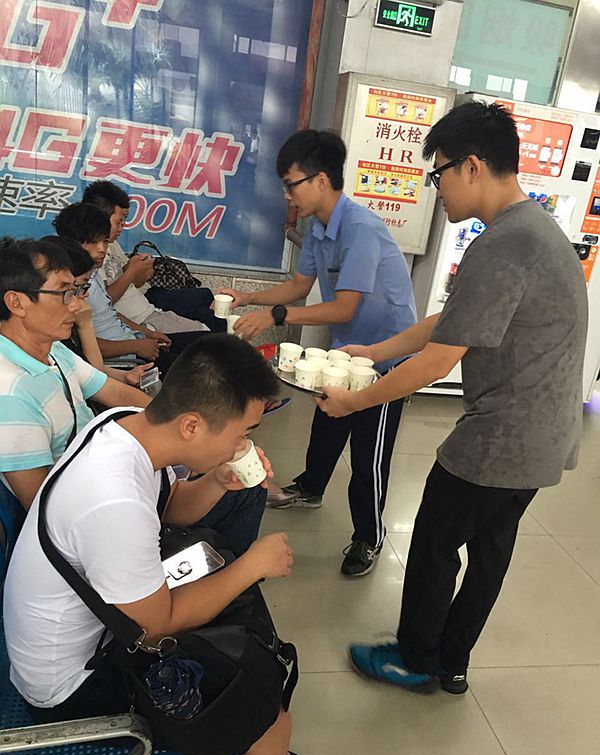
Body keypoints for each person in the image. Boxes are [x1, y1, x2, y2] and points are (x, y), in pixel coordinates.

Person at [317, 102, 588, 694]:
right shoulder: (534, 229)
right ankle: (452, 662)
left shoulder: (504, 243)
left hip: (500, 439)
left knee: (435, 544)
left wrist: (355, 401)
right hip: (544, 440)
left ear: (471, 166)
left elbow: (438, 360)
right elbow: (451, 320)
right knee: (490, 551)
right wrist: (375, 350)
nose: (435, 188)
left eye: (437, 172)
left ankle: (416, 660)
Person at [3, 335, 303, 755]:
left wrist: (217, 480)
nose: (244, 445)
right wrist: (251, 566)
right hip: (71, 687)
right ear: (191, 426)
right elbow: (155, 627)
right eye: (242, 432)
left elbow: (171, 505)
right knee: (270, 726)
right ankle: (251, 746)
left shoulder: (126, 425)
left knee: (229, 611)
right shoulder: (114, 498)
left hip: (94, 631)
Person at [222, 129, 417, 577]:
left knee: (368, 453)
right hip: (346, 347)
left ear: (322, 180)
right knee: (328, 419)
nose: (287, 195)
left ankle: (369, 537)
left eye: (291, 184)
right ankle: (311, 487)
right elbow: (299, 286)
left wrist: (274, 316)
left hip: (386, 357)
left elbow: (344, 306)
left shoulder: (361, 229)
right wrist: (250, 299)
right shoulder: (317, 228)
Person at [0, 237, 150, 513]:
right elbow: (43, 507)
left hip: (104, 473)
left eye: (77, 291)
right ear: (16, 302)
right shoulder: (8, 395)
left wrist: (175, 425)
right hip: (87, 508)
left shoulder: (52, 348)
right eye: (64, 293)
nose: (76, 306)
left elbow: (117, 393)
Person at [52, 204, 207, 376]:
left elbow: (110, 312)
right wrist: (136, 346)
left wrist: (147, 333)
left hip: (134, 343)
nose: (102, 249)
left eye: (105, 241)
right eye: (93, 242)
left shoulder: (93, 273)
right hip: (127, 361)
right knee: (199, 371)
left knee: (206, 343)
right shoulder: (72, 286)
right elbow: (84, 346)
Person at [82, 180, 222, 331]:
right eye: (119, 221)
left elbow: (128, 282)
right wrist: (131, 273)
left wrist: (139, 271)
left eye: (125, 220)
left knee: (207, 307)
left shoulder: (112, 244)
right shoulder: (89, 255)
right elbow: (103, 304)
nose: (122, 227)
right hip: (140, 316)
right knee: (206, 326)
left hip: (145, 307)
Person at [42, 235, 154, 388]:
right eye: (77, 288)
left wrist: (125, 377)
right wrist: (85, 324)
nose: (83, 296)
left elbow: (91, 372)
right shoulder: (51, 336)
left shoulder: (61, 333)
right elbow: (95, 383)